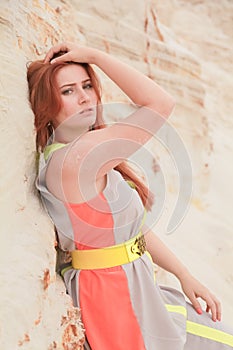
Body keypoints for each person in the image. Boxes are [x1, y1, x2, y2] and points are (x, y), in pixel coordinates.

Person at [27, 42, 233, 350]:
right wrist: (94, 56)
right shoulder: (76, 158)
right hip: (112, 297)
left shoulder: (85, 151)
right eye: (68, 91)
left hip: (133, 285)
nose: (85, 97)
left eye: (87, 85)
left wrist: (184, 274)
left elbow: (133, 232)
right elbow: (160, 103)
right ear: (47, 106)